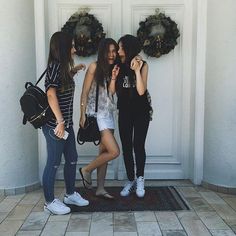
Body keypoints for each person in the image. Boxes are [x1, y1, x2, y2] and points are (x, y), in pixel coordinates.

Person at [42, 31, 89, 215]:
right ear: (62, 48)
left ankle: (70, 194)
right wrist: (60, 122)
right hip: (56, 125)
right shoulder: (54, 67)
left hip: (66, 124)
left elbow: (60, 85)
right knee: (53, 162)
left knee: (71, 159)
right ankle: (49, 202)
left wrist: (73, 70)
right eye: (71, 46)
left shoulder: (61, 68)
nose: (74, 49)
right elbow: (51, 94)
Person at [79, 38, 120, 199]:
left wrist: (115, 77)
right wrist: (81, 114)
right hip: (97, 116)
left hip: (108, 113)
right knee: (114, 151)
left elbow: (111, 93)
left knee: (104, 151)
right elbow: (84, 92)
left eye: (114, 51)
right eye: (108, 51)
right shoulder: (94, 67)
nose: (111, 54)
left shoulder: (112, 69)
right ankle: (86, 170)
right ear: (102, 52)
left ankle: (100, 188)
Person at [116, 34, 150, 198]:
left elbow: (141, 91)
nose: (118, 50)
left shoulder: (142, 64)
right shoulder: (116, 64)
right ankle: (130, 180)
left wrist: (136, 70)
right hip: (124, 110)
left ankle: (140, 178)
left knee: (138, 145)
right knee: (126, 146)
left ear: (128, 48)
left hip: (141, 111)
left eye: (121, 47)